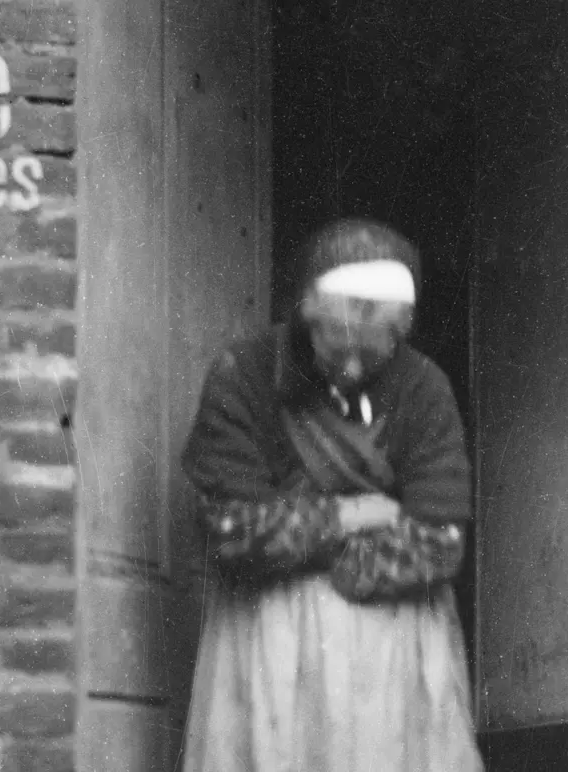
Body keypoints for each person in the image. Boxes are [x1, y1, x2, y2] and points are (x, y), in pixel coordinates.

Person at [178, 218, 484, 771]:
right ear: (305, 317)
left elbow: (441, 542)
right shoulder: (245, 374)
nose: (349, 367)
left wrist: (335, 565)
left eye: (371, 354)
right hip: (265, 640)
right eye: (334, 346)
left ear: (400, 335)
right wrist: (351, 515)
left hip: (393, 647)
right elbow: (229, 527)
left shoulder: (423, 388)